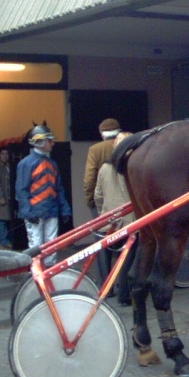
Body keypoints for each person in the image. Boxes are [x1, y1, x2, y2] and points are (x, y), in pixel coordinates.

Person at [15, 124, 71, 266]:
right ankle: (36, 280)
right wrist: (28, 213)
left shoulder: (52, 163)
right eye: (49, 140)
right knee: (36, 248)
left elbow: (59, 189)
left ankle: (50, 277)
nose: (52, 143)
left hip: (51, 212)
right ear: (40, 142)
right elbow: (21, 190)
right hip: (35, 213)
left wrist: (65, 209)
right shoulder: (25, 164)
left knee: (52, 247)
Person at [94, 131, 136, 306]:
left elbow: (98, 195)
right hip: (130, 221)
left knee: (104, 253)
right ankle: (124, 295)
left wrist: (104, 212)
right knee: (127, 258)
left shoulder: (104, 168)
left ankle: (107, 289)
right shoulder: (133, 167)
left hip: (108, 220)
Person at [84, 118, 121, 286]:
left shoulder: (95, 149)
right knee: (127, 242)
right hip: (125, 202)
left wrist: (90, 200)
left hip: (102, 202)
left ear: (102, 134)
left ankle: (107, 284)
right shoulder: (126, 144)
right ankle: (123, 283)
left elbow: (89, 178)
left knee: (102, 242)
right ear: (118, 131)